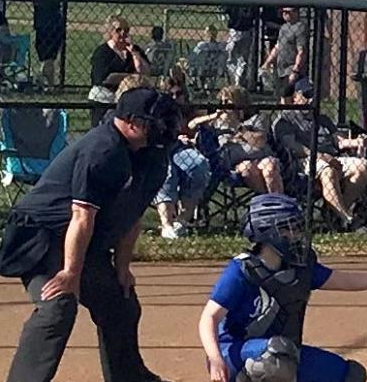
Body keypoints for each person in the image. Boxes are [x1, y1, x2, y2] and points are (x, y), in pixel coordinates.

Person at [0, 87, 181, 382]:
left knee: (120, 299)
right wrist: (69, 273)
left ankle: (128, 377)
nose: (166, 128)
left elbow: (131, 214)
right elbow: (82, 215)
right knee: (59, 304)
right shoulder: (102, 150)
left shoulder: (152, 156)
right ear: (132, 122)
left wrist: (122, 267)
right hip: (40, 236)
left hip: (80, 238)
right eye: (158, 122)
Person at [197, 193, 367, 382]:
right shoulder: (241, 271)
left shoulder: (299, 267)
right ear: (267, 232)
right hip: (233, 355)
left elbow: (341, 280)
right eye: (288, 229)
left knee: (350, 378)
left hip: (281, 353)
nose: (296, 235)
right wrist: (216, 358)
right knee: (278, 354)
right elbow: (209, 317)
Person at [271, 83, 367, 233]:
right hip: (304, 161)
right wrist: (320, 156)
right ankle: (347, 219)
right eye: (306, 95)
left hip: (331, 157)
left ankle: (332, 213)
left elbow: (338, 141)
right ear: (295, 97)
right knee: (328, 171)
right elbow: (294, 147)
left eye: (314, 95)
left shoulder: (322, 118)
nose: (311, 99)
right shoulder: (285, 120)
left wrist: (357, 141)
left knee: (364, 166)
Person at [188, 84, 284, 194]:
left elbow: (260, 141)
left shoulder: (257, 118)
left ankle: (279, 206)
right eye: (222, 102)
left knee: (270, 169)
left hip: (263, 157)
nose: (223, 105)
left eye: (227, 102)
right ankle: (271, 203)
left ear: (239, 103)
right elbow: (192, 125)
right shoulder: (219, 122)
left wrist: (238, 127)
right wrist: (214, 116)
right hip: (238, 163)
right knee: (248, 169)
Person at [153, 68, 211, 239]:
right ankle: (167, 224)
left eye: (178, 94)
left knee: (198, 164)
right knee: (168, 171)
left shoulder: (188, 111)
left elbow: (200, 131)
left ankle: (182, 221)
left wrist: (191, 140)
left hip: (182, 149)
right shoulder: (157, 111)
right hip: (159, 149)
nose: (175, 98)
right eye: (170, 94)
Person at [89, 16, 150, 127]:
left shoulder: (134, 49)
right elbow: (104, 78)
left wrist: (135, 55)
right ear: (110, 32)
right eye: (118, 30)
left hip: (127, 98)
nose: (123, 33)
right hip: (105, 98)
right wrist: (132, 78)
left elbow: (145, 73)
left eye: (126, 30)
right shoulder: (102, 52)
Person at [261, 6, 309, 97]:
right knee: (282, 95)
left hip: (291, 68)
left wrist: (296, 70)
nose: (285, 14)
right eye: (283, 12)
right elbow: (277, 47)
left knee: (291, 95)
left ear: (296, 13)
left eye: (288, 12)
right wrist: (267, 63)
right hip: (281, 69)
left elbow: (301, 51)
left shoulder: (300, 27)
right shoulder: (284, 27)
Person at [32, 0, 64, 90]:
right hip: (46, 28)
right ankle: (48, 84)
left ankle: (42, 81)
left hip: (50, 28)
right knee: (47, 58)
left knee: (48, 58)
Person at [223, 0, 256, 87]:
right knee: (242, 61)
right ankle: (237, 82)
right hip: (245, 31)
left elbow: (224, 14)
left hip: (236, 31)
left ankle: (235, 83)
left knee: (232, 59)